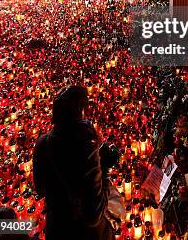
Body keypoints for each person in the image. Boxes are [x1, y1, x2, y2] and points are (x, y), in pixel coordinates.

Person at [33, 85, 122, 239]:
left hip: (57, 228)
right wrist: (105, 168)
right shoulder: (85, 146)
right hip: (83, 232)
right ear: (79, 110)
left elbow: (40, 189)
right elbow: (94, 214)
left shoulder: (43, 143)